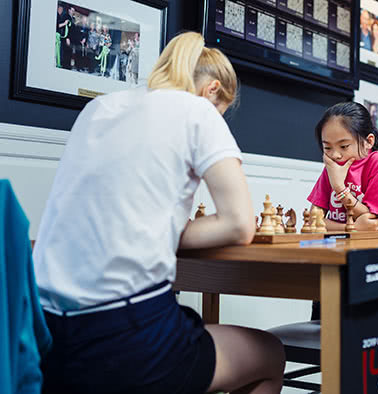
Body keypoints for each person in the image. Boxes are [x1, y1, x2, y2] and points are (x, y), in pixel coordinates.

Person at [33, 31, 285, 394]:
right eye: (222, 113)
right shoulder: (198, 111)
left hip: (47, 341)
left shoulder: (99, 108)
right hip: (127, 341)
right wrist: (169, 231)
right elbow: (240, 224)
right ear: (212, 90)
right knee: (269, 353)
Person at [307, 102, 378, 237]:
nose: (335, 155)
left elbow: (375, 224)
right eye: (327, 148)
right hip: (343, 245)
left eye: (344, 146)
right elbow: (313, 221)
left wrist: (339, 188)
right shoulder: (332, 168)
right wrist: (352, 228)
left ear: (369, 141)